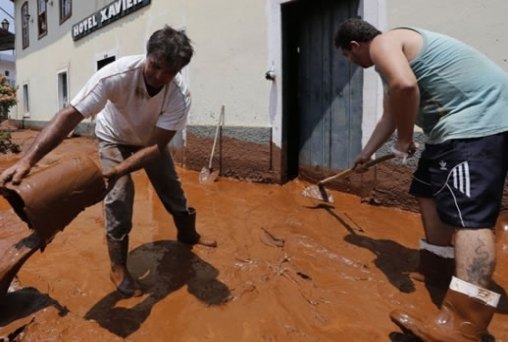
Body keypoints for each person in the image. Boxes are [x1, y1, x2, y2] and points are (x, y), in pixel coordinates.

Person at [0, 25, 217, 298]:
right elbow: (70, 115)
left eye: (169, 72)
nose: (160, 76)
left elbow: (156, 147)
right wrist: (28, 161)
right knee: (119, 195)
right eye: (155, 66)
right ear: (147, 55)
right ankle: (118, 268)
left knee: (173, 190)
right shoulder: (116, 75)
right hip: (114, 138)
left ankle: (188, 236)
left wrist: (118, 170)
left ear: (178, 72)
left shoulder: (179, 94)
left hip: (150, 143)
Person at [334, 18, 508, 341]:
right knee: (426, 188)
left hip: (477, 123)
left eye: (346, 56)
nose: (350, 62)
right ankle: (438, 268)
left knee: (470, 218)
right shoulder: (390, 62)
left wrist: (403, 141)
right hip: (448, 132)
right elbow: (391, 113)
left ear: (355, 46)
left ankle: (465, 324)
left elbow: (406, 87)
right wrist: (367, 153)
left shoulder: (386, 43)